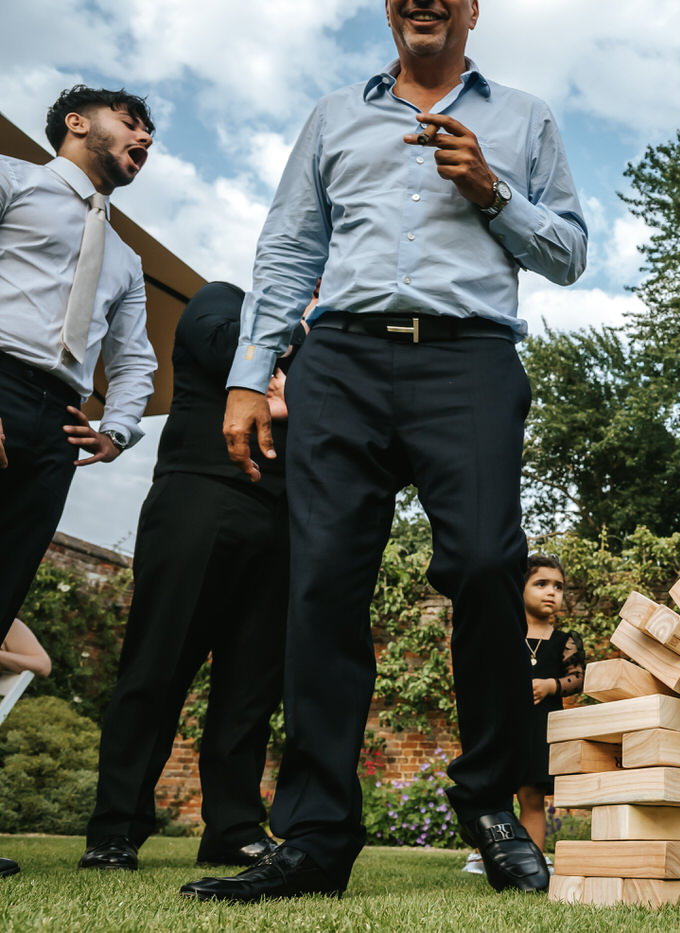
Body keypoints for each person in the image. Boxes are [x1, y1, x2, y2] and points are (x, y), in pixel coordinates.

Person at [182, 0, 587, 902]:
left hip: (470, 360)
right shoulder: (334, 115)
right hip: (343, 360)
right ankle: (318, 834)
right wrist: (251, 373)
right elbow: (291, 244)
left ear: (472, 9)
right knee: (322, 582)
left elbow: (568, 253)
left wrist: (492, 190)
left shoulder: (525, 118)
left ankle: (487, 801)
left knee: (488, 565)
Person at [79, 282, 303, 873]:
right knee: (157, 665)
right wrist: (300, 332)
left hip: (284, 520)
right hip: (199, 498)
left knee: (251, 687)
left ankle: (232, 827)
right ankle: (115, 828)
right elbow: (229, 346)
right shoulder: (224, 299)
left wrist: (296, 382)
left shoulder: (332, 349)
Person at [0, 84, 157, 881]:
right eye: (132, 122)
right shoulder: (11, 181)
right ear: (76, 122)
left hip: (57, 423)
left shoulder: (125, 259)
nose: (144, 137)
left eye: (149, 131)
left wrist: (117, 427)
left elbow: (134, 363)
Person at [465, 554, 583, 875]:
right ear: (519, 588)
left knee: (531, 796)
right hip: (503, 727)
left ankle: (529, 861)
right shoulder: (505, 633)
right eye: (541, 584)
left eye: (558, 586)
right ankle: (482, 855)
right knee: (494, 790)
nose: (551, 592)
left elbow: (578, 678)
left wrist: (550, 685)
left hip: (540, 729)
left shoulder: (564, 641)